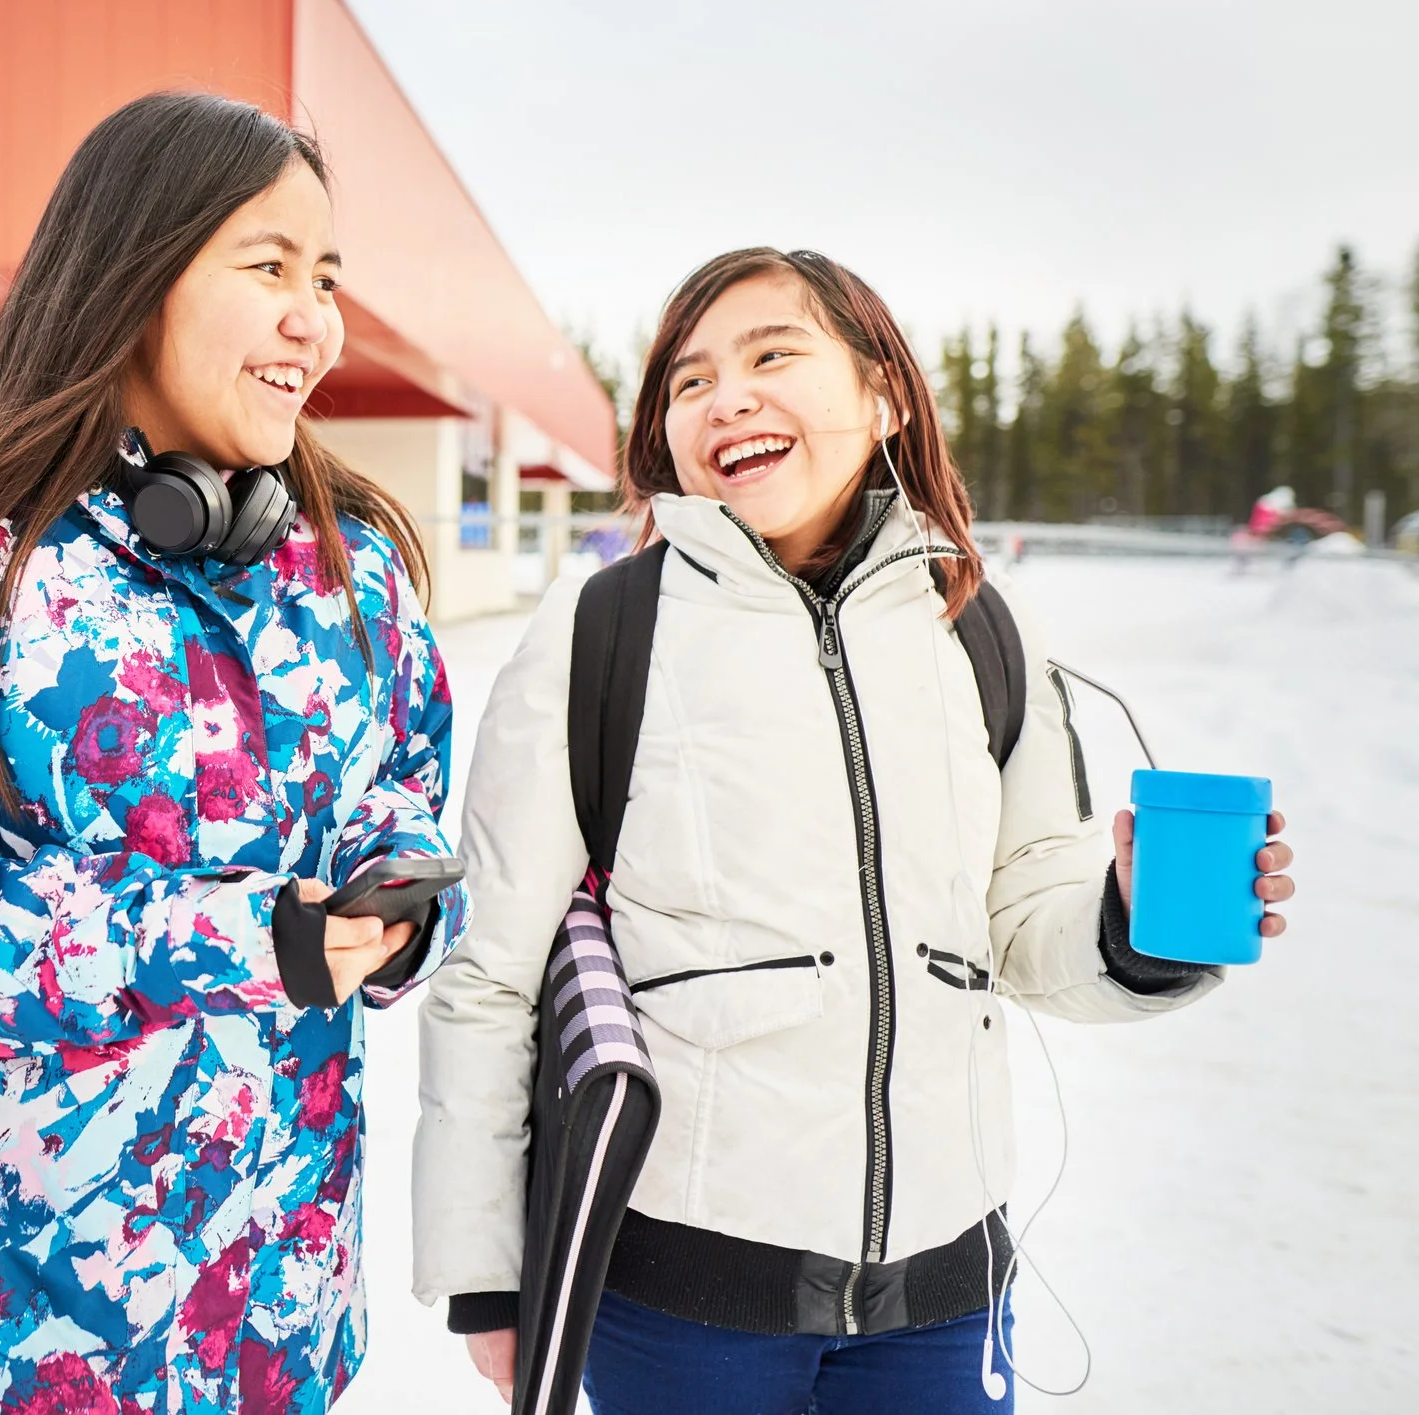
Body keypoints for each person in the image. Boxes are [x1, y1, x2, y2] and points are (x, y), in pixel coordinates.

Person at [413, 248, 1300, 1413]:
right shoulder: (603, 628)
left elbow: (1018, 922)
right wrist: (488, 1276)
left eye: (771, 355)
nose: (725, 398)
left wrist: (1129, 923)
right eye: (689, 382)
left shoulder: (977, 625)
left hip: (942, 1296)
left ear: (883, 395)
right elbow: (488, 968)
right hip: (682, 1303)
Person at [0, 91, 467, 1414]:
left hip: (271, 1313)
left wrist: (402, 899)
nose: (314, 320)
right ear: (133, 278)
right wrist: (231, 936)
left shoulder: (352, 564)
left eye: (325, 279)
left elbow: (404, 785)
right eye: (269, 267)